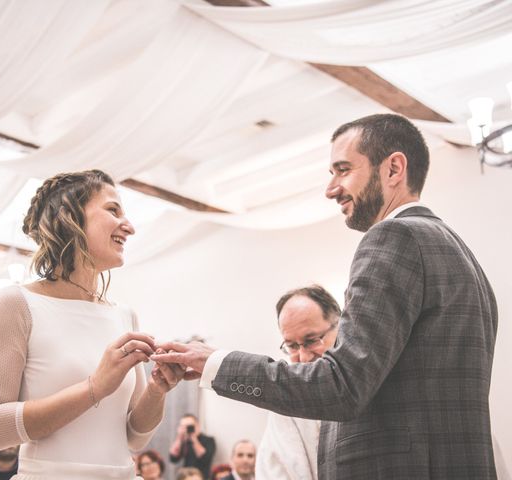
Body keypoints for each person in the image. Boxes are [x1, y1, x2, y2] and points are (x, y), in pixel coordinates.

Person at [153, 114, 498, 479]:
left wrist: (217, 364)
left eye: (343, 170)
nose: (331, 189)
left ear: (394, 168)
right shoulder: (462, 257)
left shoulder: (393, 239)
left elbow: (343, 387)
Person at [0, 170, 185, 480]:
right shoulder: (15, 304)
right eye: (113, 210)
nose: (130, 227)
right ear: (68, 215)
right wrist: (94, 388)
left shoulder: (124, 315)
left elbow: (134, 437)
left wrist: (157, 389)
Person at [256, 285, 340, 480]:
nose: (302, 357)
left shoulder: (368, 378)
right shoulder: (284, 403)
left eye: (311, 340)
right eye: (292, 346)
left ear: (340, 326)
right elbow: (273, 469)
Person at [168, 414, 215, 479]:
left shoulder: (208, 440)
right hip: (186, 476)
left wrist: (193, 438)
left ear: (198, 426)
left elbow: (205, 458)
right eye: (183, 426)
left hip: (202, 476)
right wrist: (179, 437)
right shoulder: (184, 441)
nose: (187, 429)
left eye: (190, 426)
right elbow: (173, 457)